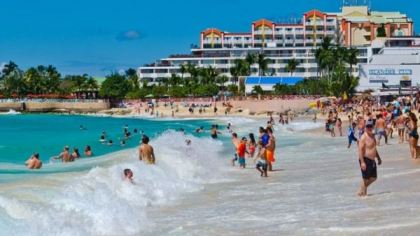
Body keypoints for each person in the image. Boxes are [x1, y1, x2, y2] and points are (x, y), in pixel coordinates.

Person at [358, 121, 382, 197]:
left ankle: (361, 190)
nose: (369, 128)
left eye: (370, 126)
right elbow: (360, 150)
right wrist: (362, 162)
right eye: (367, 127)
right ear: (365, 127)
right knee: (365, 178)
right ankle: (364, 196)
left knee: (374, 177)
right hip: (365, 159)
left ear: (372, 127)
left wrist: (378, 158)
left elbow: (374, 148)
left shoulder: (372, 136)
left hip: (372, 160)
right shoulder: (363, 137)